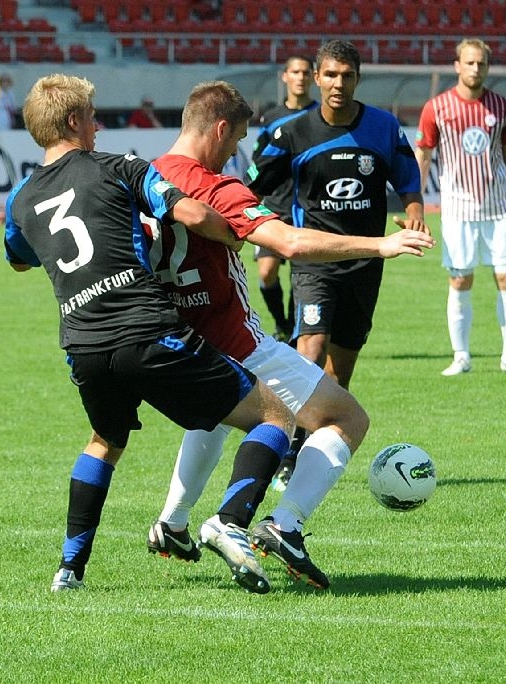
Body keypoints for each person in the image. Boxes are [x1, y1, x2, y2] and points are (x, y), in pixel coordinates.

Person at [4, 73, 296, 594]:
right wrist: (233, 235)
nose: (97, 127)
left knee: (104, 442)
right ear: (73, 121)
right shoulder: (117, 167)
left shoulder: (21, 200)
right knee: (275, 415)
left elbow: (18, 259)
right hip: (148, 331)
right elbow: (192, 211)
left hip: (84, 344)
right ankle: (229, 523)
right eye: (92, 117)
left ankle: (69, 570)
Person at [146, 80, 434, 590]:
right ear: (219, 129)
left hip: (180, 342)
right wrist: (380, 245)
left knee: (216, 415)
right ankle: (284, 525)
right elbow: (291, 243)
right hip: (238, 340)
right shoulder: (214, 187)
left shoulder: (141, 179)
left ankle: (172, 521)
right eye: (236, 140)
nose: (235, 153)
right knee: (346, 417)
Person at [248, 40, 426, 488]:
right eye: (330, 74)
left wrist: (415, 208)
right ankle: (285, 448)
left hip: (365, 262)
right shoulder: (291, 133)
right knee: (310, 347)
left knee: (339, 372)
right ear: (316, 77)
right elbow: (252, 185)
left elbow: (408, 179)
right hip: (315, 261)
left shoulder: (383, 128)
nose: (338, 84)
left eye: (347, 76)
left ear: (358, 79)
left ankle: (311, 448)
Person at [414, 38, 506, 378]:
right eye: (469, 62)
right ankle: (461, 356)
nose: (475, 68)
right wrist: (415, 200)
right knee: (460, 280)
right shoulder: (436, 108)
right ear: (457, 66)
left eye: (481, 63)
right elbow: (423, 154)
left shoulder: (502, 107)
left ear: (487, 66)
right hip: (456, 209)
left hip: (496, 206)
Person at [252, 55, 318, 342]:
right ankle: (281, 324)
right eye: (295, 72)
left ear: (313, 77)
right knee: (267, 272)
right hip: (275, 205)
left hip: (309, 205)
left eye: (305, 72)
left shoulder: (322, 114)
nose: (300, 77)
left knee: (301, 276)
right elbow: (258, 162)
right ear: (285, 76)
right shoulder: (271, 118)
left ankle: (293, 331)